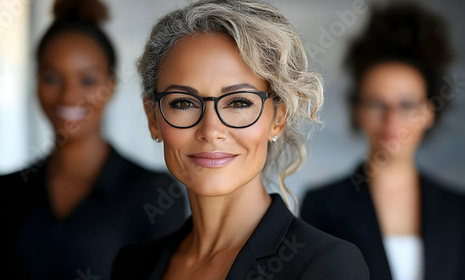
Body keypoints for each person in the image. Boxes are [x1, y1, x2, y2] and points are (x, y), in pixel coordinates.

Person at [111, 1, 369, 279]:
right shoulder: (132, 266)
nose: (210, 129)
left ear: (278, 118)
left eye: (239, 102)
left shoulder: (327, 266)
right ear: (153, 118)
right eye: (184, 103)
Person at [0, 0, 187, 279]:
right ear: (36, 82)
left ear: (110, 85)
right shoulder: (1, 193)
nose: (68, 96)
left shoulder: (155, 195)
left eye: (87, 81)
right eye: (52, 78)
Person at [301, 2, 465, 280]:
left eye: (406, 105)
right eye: (378, 104)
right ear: (358, 110)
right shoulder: (323, 206)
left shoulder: (458, 210)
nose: (392, 121)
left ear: (428, 112)